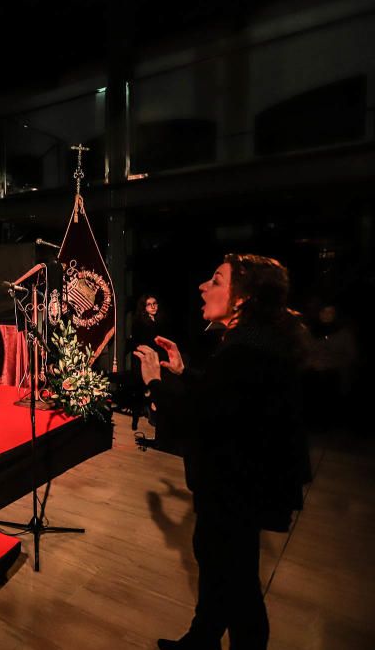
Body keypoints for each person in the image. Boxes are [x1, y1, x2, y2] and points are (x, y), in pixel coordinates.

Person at [133, 254, 310, 650]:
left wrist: (155, 384)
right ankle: (202, 639)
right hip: (237, 485)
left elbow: (197, 417)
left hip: (235, 486)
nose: (203, 286)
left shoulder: (247, 352)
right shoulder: (254, 344)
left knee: (238, 587)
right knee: (218, 568)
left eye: (216, 280)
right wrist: (183, 372)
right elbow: (223, 398)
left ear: (243, 299)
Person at [128, 293, 165, 430]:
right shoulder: (138, 321)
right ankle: (136, 418)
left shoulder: (160, 320)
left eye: (155, 303)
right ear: (144, 307)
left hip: (156, 358)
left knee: (157, 387)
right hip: (142, 358)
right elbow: (136, 342)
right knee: (141, 389)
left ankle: (153, 411)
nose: (153, 306)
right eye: (149, 304)